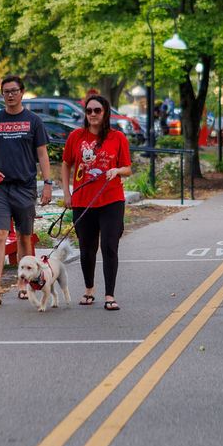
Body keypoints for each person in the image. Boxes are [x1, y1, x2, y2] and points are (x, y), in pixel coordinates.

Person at [0, 75, 53, 306]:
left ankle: (23, 283)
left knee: (24, 237)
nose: (10, 95)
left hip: (25, 187)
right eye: (6, 91)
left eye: (14, 91)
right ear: (2, 94)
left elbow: (42, 155)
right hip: (0, 188)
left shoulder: (33, 121)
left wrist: (47, 184)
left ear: (22, 93)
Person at [61, 94, 132, 311]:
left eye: (97, 111)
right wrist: (67, 194)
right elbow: (66, 165)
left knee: (109, 246)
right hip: (83, 201)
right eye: (89, 110)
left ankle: (110, 295)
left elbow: (128, 169)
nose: (92, 114)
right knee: (86, 248)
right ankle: (89, 289)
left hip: (111, 200)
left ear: (105, 113)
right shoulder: (76, 136)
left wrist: (116, 170)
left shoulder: (117, 137)